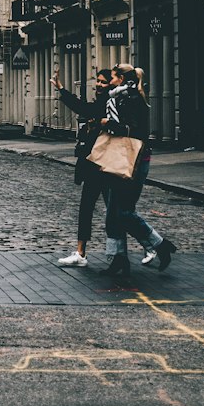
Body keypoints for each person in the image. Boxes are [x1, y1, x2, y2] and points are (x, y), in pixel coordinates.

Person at [101, 63, 177, 277]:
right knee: (114, 213)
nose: (111, 81)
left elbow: (133, 130)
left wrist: (108, 123)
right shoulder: (120, 97)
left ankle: (160, 245)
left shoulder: (132, 99)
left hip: (133, 159)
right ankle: (118, 258)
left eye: (113, 77)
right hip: (122, 158)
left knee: (123, 212)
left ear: (122, 80)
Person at [50, 65, 111, 267]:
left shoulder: (111, 104)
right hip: (94, 164)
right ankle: (81, 252)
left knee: (120, 212)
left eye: (104, 81)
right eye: (99, 81)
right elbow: (84, 108)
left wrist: (62, 90)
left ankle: (152, 244)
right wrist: (61, 88)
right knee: (86, 207)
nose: (100, 85)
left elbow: (83, 108)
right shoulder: (101, 103)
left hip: (108, 164)